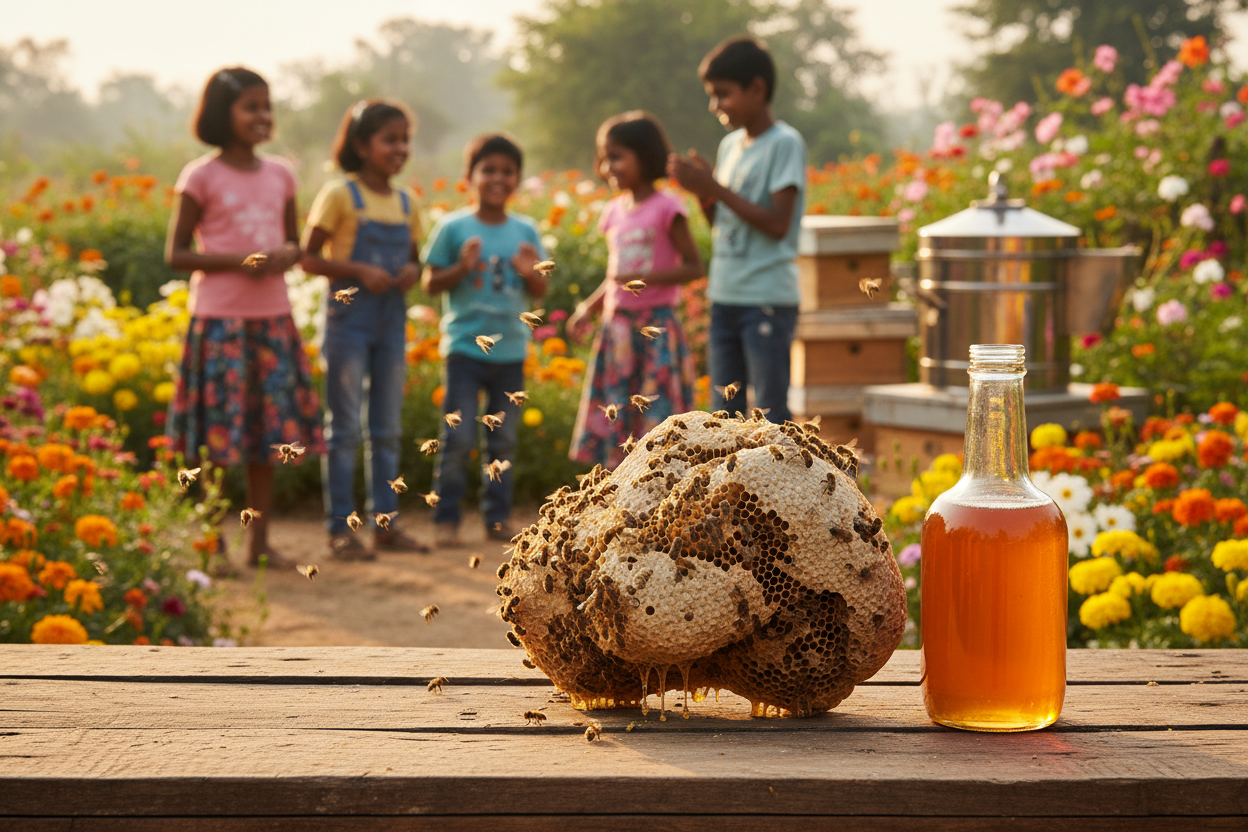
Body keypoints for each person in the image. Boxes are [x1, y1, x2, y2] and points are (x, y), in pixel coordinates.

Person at [165, 67, 323, 569]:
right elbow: (176, 254)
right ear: (220, 114)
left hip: (272, 321)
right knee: (215, 444)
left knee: (266, 440)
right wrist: (242, 261)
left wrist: (285, 255)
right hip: (219, 324)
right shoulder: (200, 175)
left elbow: (296, 245)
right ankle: (212, 543)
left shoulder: (281, 174)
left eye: (266, 106)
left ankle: (258, 543)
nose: (262, 116)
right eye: (250, 107)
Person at [302, 100, 427, 561]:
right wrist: (357, 269)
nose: (399, 148)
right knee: (344, 429)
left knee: (387, 429)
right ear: (361, 145)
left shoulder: (407, 202)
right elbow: (308, 257)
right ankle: (340, 529)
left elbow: (415, 258)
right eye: (388, 139)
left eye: (404, 140)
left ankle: (386, 525)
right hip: (347, 322)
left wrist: (412, 271)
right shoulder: (339, 195)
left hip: (391, 320)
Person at [668, 37, 807, 422]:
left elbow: (778, 224)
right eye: (712, 96)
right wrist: (703, 194)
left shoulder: (784, 144)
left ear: (757, 89)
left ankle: (780, 484)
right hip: (726, 296)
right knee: (723, 417)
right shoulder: (730, 146)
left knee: (770, 413)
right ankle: (733, 485)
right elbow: (724, 225)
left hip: (766, 299)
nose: (715, 106)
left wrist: (714, 187)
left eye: (723, 95)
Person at [420, 134, 547, 546]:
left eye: (507, 171)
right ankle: (447, 519)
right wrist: (461, 266)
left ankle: (496, 518)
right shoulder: (453, 227)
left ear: (517, 179)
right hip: (463, 350)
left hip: (510, 352)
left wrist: (530, 272)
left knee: (504, 440)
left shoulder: (525, 230)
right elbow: (429, 282)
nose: (497, 177)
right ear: (468, 177)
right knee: (456, 436)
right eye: (488, 169)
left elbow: (540, 290)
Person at [568, 111, 702, 468]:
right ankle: (620, 495)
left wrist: (645, 279)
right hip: (618, 330)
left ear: (645, 156)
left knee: (656, 420)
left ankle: (656, 495)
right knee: (619, 412)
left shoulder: (667, 208)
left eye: (617, 156)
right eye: (604, 157)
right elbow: (615, 276)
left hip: (654, 329)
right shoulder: (613, 211)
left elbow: (694, 265)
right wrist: (588, 309)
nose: (608, 166)